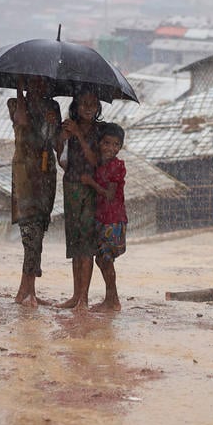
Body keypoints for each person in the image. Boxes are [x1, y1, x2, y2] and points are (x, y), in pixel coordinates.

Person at [8, 75, 60, 307]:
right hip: (25, 176)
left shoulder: (53, 106)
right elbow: (21, 121)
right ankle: (25, 291)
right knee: (29, 233)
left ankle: (28, 290)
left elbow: (57, 142)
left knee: (39, 232)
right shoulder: (15, 103)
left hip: (46, 175)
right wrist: (20, 91)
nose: (40, 86)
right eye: (34, 82)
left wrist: (54, 124)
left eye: (43, 82)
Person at [55, 89, 102, 309]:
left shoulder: (100, 131)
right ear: (76, 106)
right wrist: (62, 140)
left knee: (87, 245)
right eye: (84, 103)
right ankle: (75, 295)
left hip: (90, 189)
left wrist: (80, 136)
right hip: (71, 186)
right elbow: (62, 162)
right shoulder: (67, 127)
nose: (88, 108)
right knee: (74, 243)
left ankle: (84, 297)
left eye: (92, 104)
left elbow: (95, 161)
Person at [81, 123, 128, 311]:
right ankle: (111, 298)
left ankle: (113, 300)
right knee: (101, 259)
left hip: (113, 220)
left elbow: (109, 195)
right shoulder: (99, 163)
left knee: (106, 260)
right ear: (99, 143)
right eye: (107, 143)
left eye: (116, 144)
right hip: (103, 218)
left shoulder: (117, 166)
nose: (111, 148)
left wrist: (90, 182)